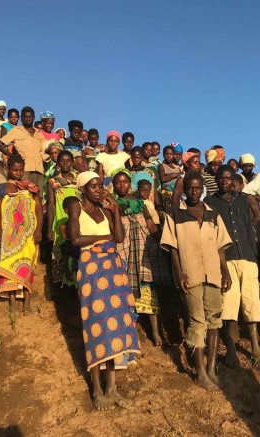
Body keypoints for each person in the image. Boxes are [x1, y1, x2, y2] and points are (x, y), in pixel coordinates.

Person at [68, 171, 141, 411]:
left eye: (100, 186)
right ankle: (97, 390)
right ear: (83, 189)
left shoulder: (105, 210)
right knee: (96, 326)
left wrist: (116, 211)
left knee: (115, 326)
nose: (99, 190)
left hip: (112, 270)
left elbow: (119, 237)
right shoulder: (76, 208)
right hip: (91, 270)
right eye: (94, 186)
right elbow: (75, 239)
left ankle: (112, 388)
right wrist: (104, 236)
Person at [161, 171, 232, 391]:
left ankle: (211, 368)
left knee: (214, 321)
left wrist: (226, 272)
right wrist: (179, 273)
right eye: (189, 188)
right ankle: (200, 372)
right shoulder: (175, 213)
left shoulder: (212, 213)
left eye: (197, 188)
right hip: (190, 274)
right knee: (197, 321)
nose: (193, 192)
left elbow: (220, 247)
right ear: (184, 190)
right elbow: (172, 248)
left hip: (212, 273)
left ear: (203, 188)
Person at [204, 165, 260, 372]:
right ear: (216, 180)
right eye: (221, 178)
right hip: (226, 259)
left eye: (228, 178)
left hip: (248, 257)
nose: (224, 182)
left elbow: (254, 220)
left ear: (233, 180)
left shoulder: (243, 200)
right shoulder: (209, 202)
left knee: (252, 304)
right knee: (230, 304)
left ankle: (255, 350)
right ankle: (232, 349)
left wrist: (251, 244)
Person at [112, 170, 167, 346]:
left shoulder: (140, 203)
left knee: (149, 291)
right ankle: (131, 331)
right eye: (118, 182)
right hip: (123, 249)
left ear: (130, 184)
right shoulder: (110, 203)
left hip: (143, 248)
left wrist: (163, 240)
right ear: (113, 185)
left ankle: (155, 332)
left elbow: (150, 224)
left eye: (125, 182)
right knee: (125, 290)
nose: (122, 185)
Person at [0, 154, 43, 314]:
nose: (18, 173)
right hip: (10, 235)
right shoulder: (0, 188)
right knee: (9, 266)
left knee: (28, 265)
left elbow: (38, 210)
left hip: (28, 235)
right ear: (7, 169)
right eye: (15, 170)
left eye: (21, 170)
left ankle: (27, 302)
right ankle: (12, 303)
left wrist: (38, 230)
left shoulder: (31, 187)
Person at [0, 106, 46, 197]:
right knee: (23, 197)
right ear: (21, 118)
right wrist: (11, 156)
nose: (28, 118)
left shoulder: (39, 133)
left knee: (38, 198)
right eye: (25, 117)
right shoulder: (16, 130)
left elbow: (44, 152)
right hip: (24, 171)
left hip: (39, 171)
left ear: (34, 118)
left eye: (30, 116)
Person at [46, 150, 80, 287]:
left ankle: (76, 283)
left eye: (68, 160)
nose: (65, 163)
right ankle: (61, 285)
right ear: (58, 163)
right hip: (59, 218)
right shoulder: (52, 181)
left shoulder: (79, 179)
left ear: (72, 162)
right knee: (59, 250)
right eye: (62, 161)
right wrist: (49, 227)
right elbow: (51, 205)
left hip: (77, 218)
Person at [158, 144, 183, 212]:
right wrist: (173, 175)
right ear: (163, 155)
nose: (168, 155)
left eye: (171, 154)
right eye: (166, 154)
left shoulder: (177, 167)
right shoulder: (162, 166)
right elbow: (162, 179)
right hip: (167, 194)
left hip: (178, 194)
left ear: (174, 155)